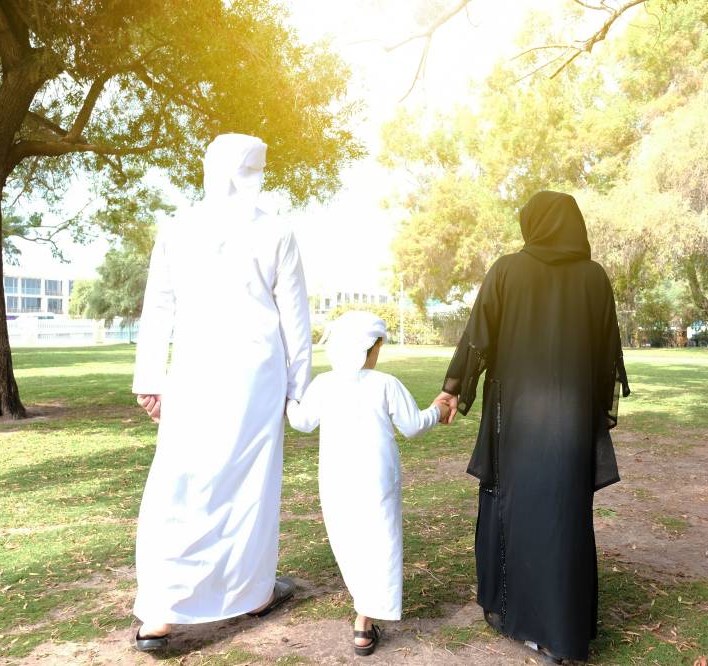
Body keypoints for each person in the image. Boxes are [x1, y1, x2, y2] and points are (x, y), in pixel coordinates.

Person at [131, 133, 313, 651]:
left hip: (194, 371)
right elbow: (295, 320)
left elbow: (158, 306)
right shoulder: (277, 231)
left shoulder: (178, 227)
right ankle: (253, 593)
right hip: (257, 375)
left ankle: (161, 614)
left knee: (180, 481)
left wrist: (150, 377)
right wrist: (298, 389)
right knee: (250, 487)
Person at [436, 191, 629, 664]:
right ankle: (563, 630)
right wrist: (593, 408)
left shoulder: (507, 271)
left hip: (517, 420)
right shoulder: (594, 277)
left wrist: (455, 388)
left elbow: (477, 337)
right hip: (571, 420)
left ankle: (525, 621)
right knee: (566, 514)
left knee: (516, 510)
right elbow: (607, 354)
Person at [285, 311, 450, 657]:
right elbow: (413, 426)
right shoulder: (385, 383)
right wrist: (437, 409)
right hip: (378, 478)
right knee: (381, 541)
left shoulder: (324, 384)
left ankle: (363, 605)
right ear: (368, 348)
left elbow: (301, 422)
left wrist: (286, 399)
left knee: (349, 539)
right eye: (378, 348)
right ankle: (364, 619)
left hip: (336, 477)